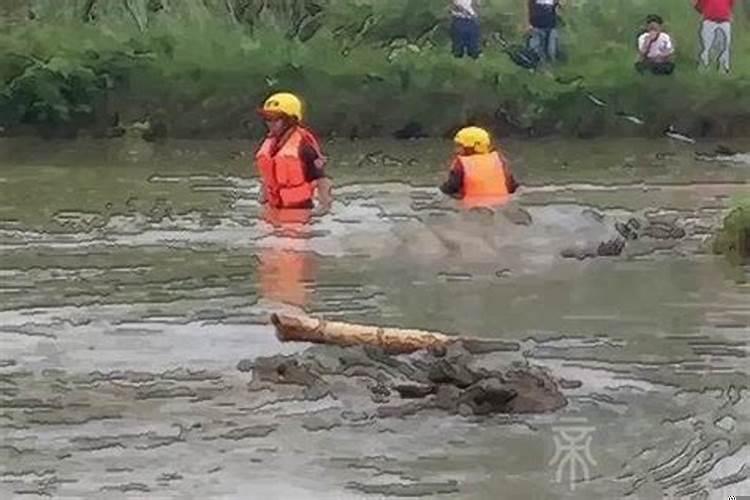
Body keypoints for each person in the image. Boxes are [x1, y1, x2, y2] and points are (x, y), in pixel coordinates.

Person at [255, 92, 332, 224]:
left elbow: (321, 178)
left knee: (289, 244)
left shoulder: (304, 146)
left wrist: (323, 207)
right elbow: (267, 175)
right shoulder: (272, 143)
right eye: (267, 118)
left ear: (290, 120)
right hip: (273, 207)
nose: (270, 123)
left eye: (275, 118)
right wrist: (262, 199)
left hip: (299, 209)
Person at [439, 126, 519, 206]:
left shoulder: (461, 164)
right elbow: (512, 187)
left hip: (471, 206)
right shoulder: (500, 161)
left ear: (473, 147)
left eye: (460, 146)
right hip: (501, 204)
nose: (456, 150)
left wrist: (438, 190)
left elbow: (450, 188)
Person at [694, 0, 735, 73]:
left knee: (725, 45)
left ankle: (723, 67)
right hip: (710, 20)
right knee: (706, 45)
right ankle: (704, 64)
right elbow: (699, 6)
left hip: (724, 20)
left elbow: (731, 4)